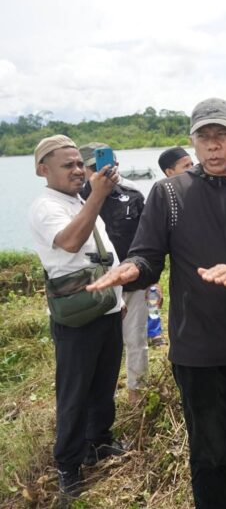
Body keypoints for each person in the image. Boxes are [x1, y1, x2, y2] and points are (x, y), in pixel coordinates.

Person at [88, 98, 226, 509]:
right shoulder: (169, 193)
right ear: (193, 142)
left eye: (222, 137)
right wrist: (132, 268)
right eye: (205, 137)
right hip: (197, 349)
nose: (214, 146)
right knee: (210, 448)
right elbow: (148, 256)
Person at [28, 135, 126, 500]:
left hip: (105, 306)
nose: (77, 170)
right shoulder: (46, 206)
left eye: (78, 163)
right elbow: (70, 242)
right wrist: (98, 195)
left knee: (102, 384)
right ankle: (68, 465)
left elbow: (99, 252)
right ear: (43, 169)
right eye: (67, 164)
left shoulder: (77, 200)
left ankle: (98, 444)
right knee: (74, 393)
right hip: (77, 314)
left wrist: (118, 299)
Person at [78, 143, 151, 402]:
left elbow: (147, 240)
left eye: (108, 164)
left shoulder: (132, 193)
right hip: (93, 286)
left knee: (136, 340)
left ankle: (137, 396)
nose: (103, 171)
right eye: (93, 167)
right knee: (96, 347)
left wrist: (152, 281)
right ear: (83, 169)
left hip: (133, 281)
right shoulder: (74, 198)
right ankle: (93, 401)